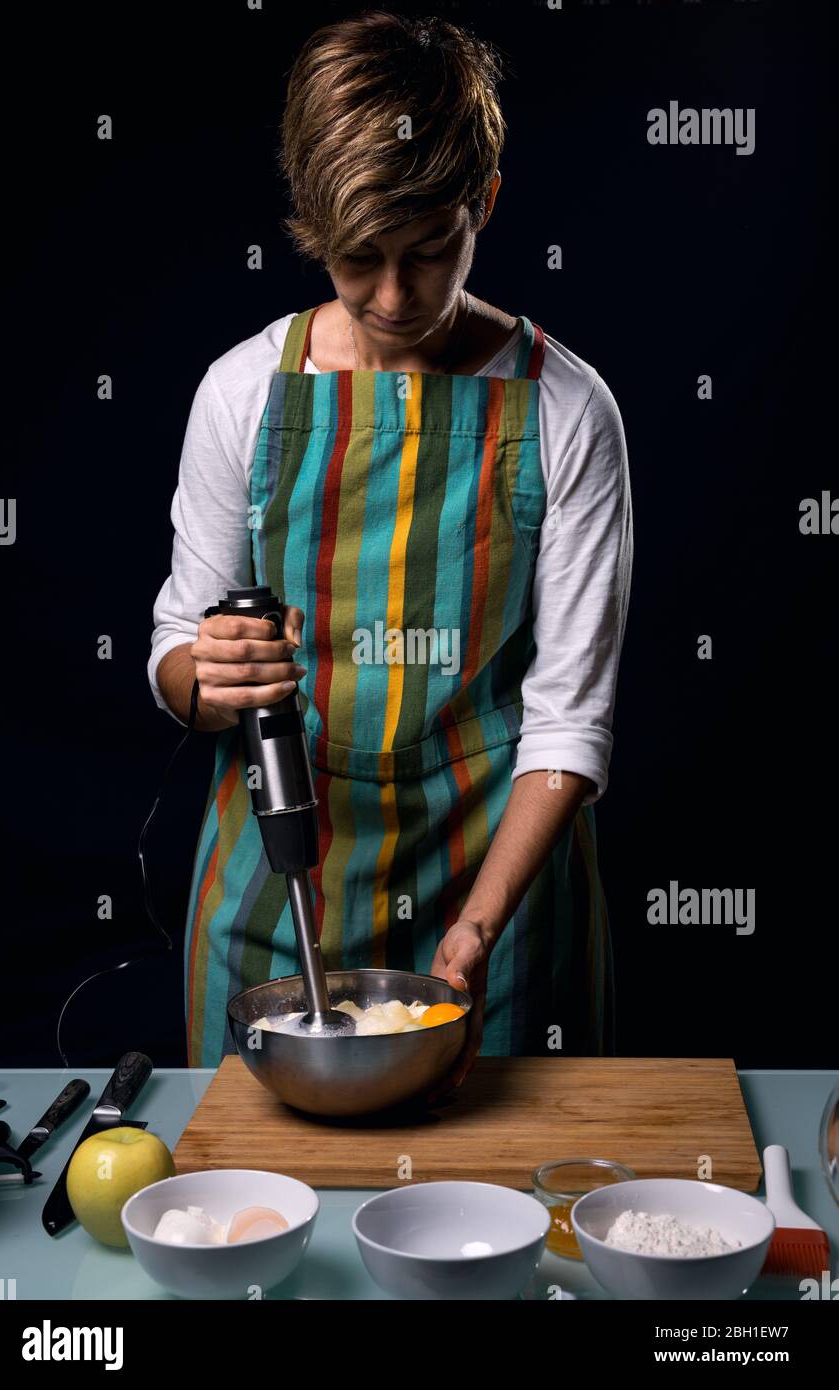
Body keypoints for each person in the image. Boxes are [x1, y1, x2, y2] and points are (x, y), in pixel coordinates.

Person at [148, 11, 633, 1078]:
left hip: (494, 895)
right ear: (312, 226)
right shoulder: (241, 393)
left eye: (430, 252)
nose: (395, 297)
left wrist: (478, 925)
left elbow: (570, 719)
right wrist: (204, 678)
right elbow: (178, 652)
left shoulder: (567, 407)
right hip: (275, 899)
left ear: (485, 206)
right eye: (358, 259)